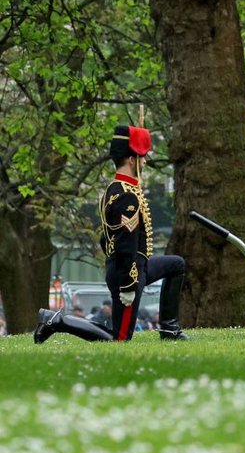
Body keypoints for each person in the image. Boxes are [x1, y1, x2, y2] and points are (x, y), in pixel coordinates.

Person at [35, 124, 188, 342]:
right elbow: (126, 244)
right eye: (142, 158)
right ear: (132, 160)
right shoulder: (127, 196)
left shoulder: (113, 189)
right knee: (119, 339)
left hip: (135, 266)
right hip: (129, 273)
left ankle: (170, 329)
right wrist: (127, 284)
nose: (145, 162)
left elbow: (105, 237)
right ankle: (56, 320)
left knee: (176, 265)